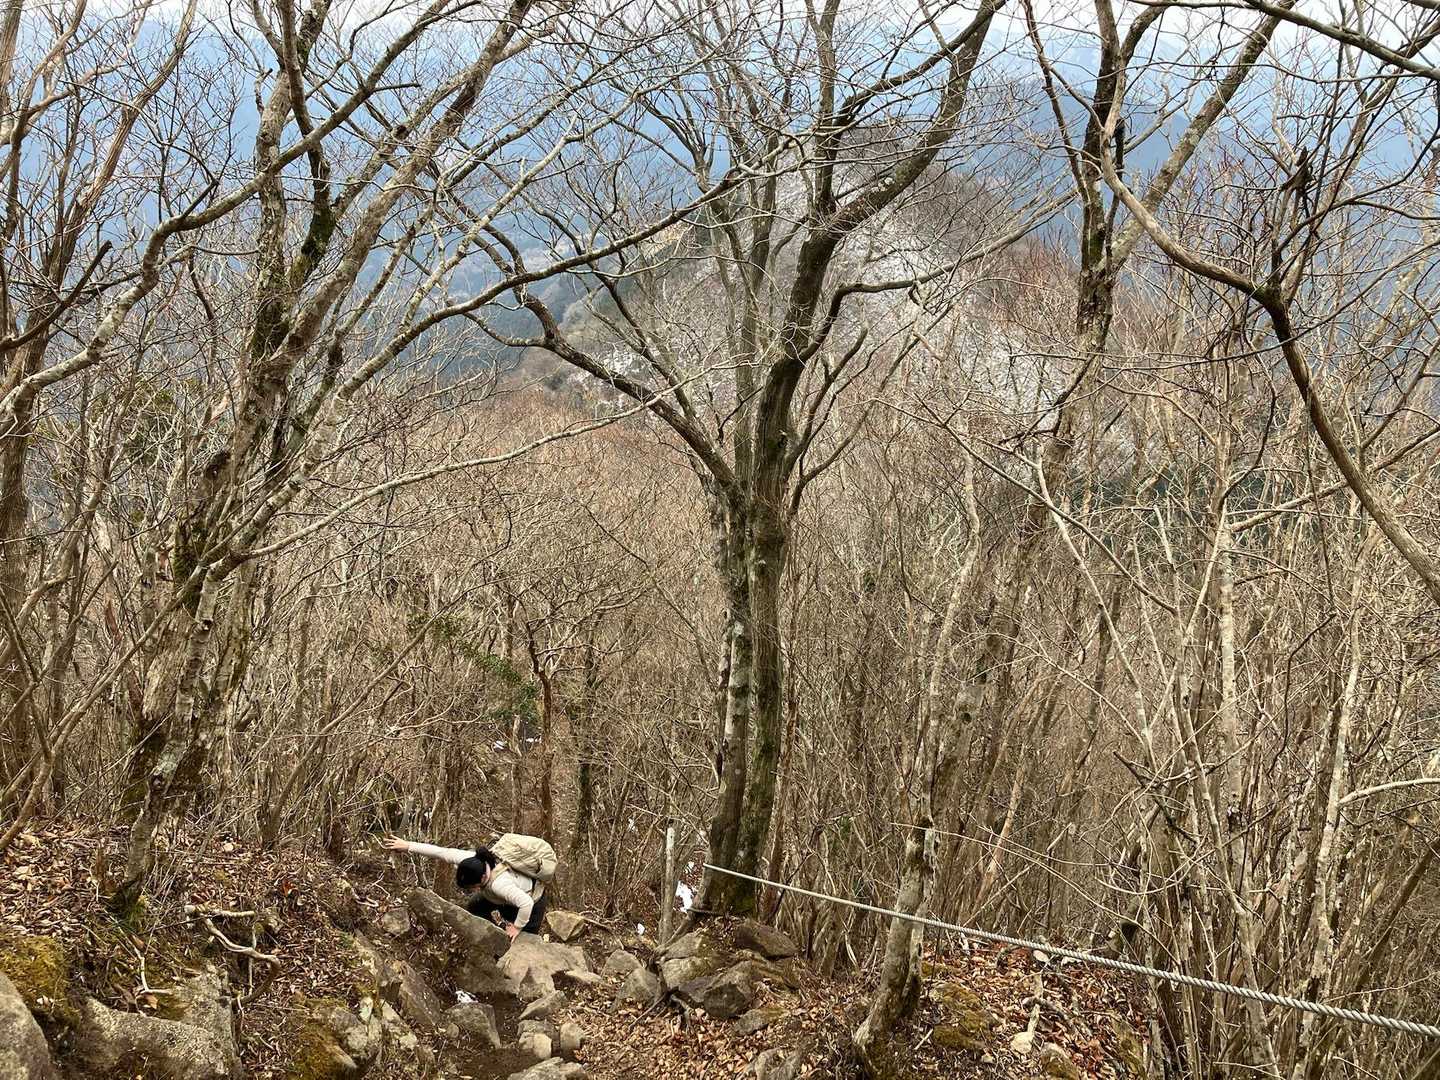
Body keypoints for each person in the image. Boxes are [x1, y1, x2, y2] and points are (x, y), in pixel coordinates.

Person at [383, 835, 546, 940]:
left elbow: (526, 903)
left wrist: (516, 928)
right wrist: (408, 845)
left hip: (531, 901)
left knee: (523, 939)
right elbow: (441, 852)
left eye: (472, 887)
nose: (472, 890)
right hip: (504, 896)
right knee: (475, 906)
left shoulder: (500, 885)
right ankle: (495, 935)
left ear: (482, 879)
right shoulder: (472, 860)